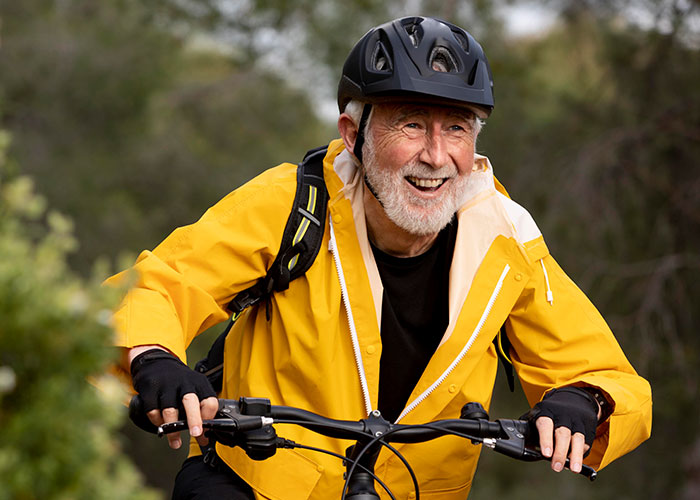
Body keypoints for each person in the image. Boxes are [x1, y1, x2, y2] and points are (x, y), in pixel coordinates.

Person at [107, 16, 652, 500]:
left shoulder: (503, 239)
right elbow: (157, 285)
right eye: (412, 123)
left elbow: (603, 372)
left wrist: (584, 400)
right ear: (353, 134)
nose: (436, 156)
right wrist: (153, 357)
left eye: (456, 127)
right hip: (257, 482)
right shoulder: (294, 204)